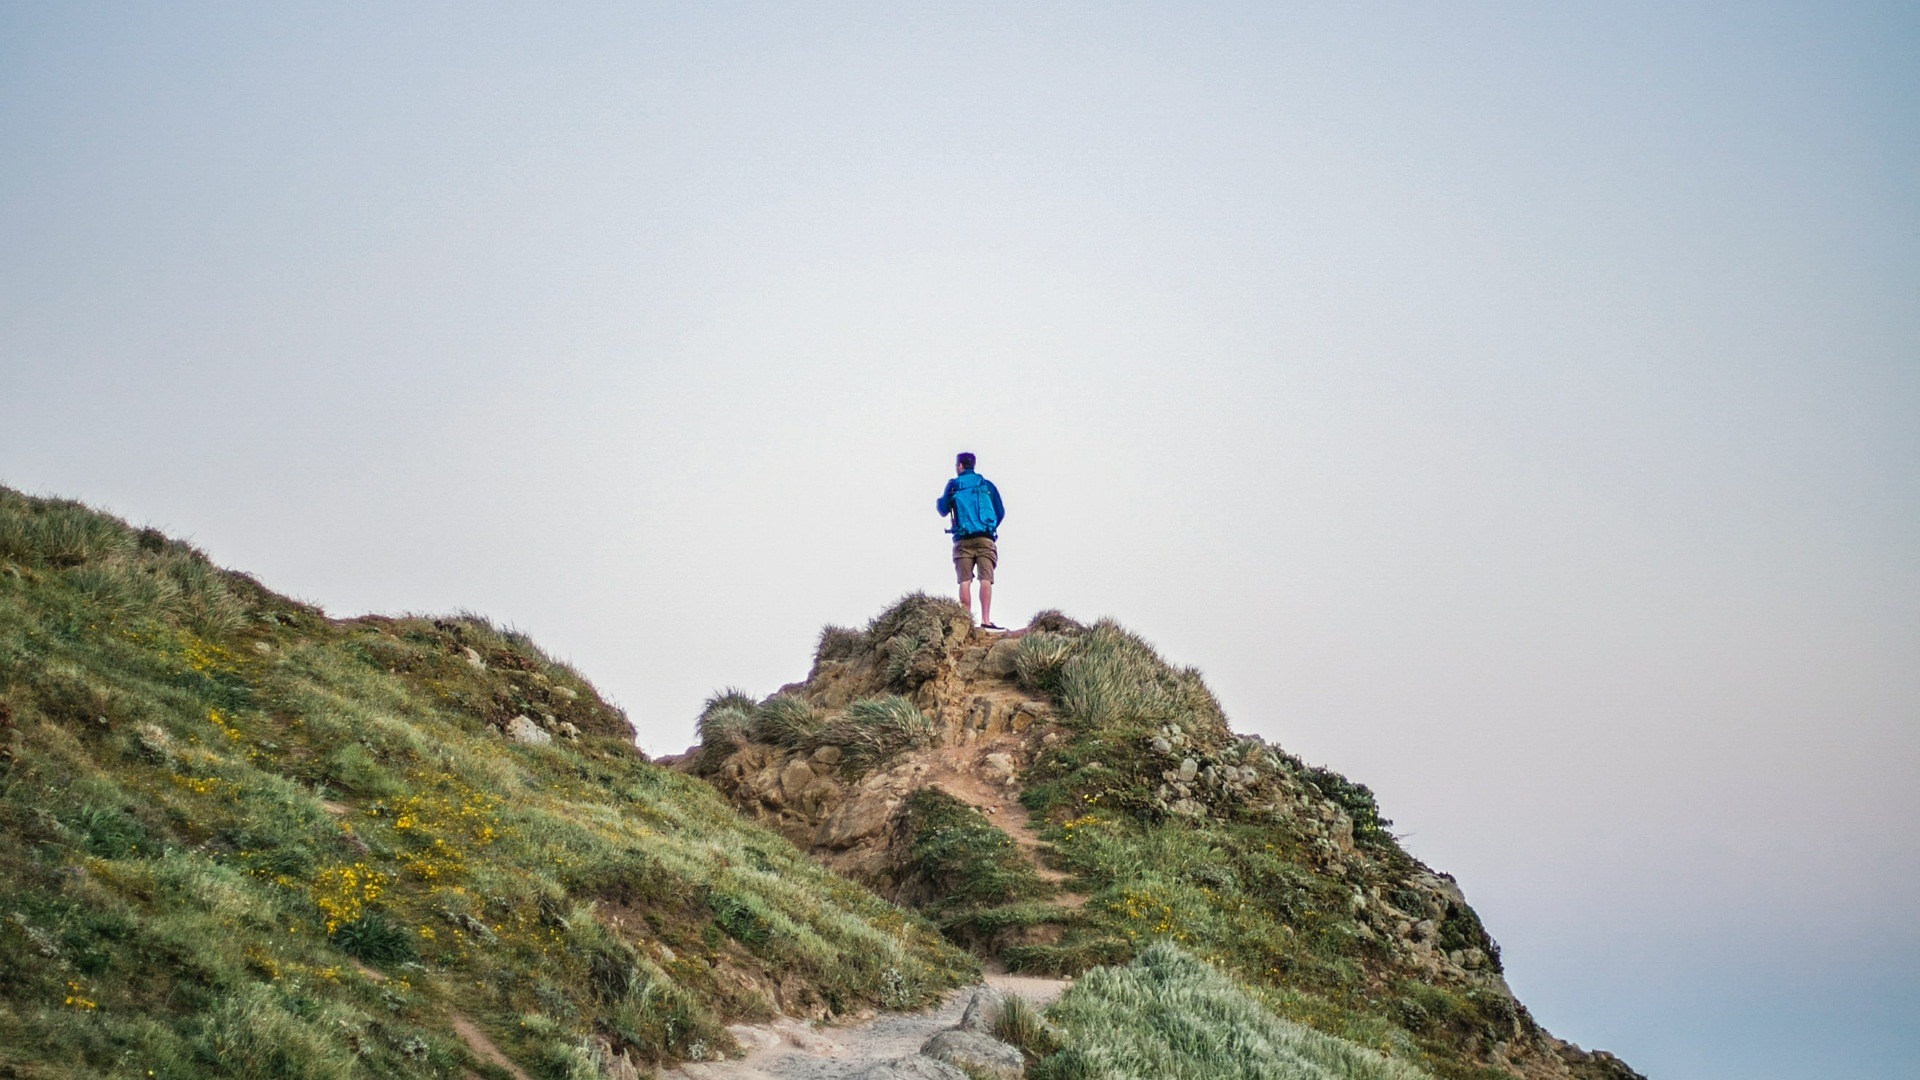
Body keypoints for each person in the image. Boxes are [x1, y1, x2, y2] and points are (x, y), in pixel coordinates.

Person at [936, 451, 1006, 630]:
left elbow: (943, 509)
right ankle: (986, 620)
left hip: (962, 540)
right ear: (973, 465)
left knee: (965, 581)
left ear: (960, 466)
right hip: (985, 538)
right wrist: (989, 528)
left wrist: (945, 495)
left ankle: (966, 621)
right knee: (986, 579)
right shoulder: (986, 485)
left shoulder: (954, 486)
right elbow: (1000, 511)